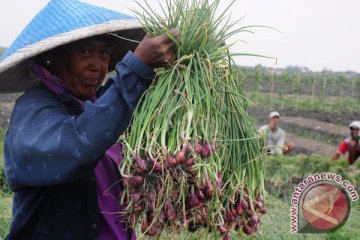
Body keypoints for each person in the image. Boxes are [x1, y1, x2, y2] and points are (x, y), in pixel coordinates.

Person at [0, 0, 178, 239]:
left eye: (103, 53)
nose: (97, 66)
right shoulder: (33, 109)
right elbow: (78, 144)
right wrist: (135, 70)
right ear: (52, 58)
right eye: (85, 52)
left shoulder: (100, 106)